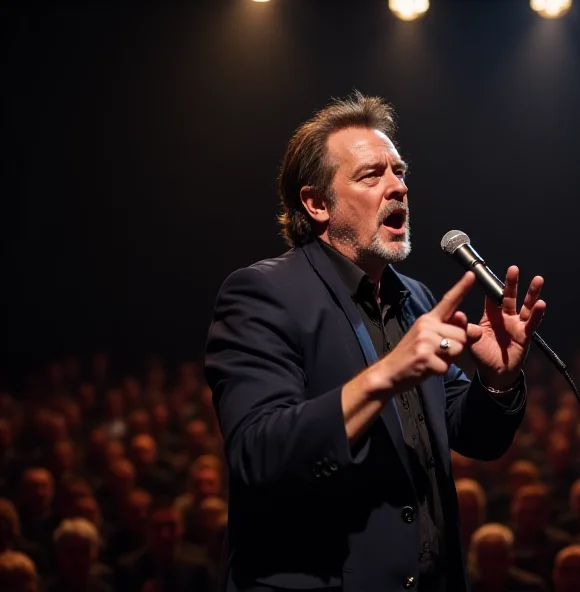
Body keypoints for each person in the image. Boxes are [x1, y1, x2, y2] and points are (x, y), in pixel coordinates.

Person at [204, 92, 547, 592]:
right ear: (316, 203)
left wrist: (497, 382)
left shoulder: (414, 298)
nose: (399, 187)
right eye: (372, 175)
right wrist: (388, 373)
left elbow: (472, 435)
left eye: (400, 171)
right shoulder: (263, 293)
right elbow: (259, 454)